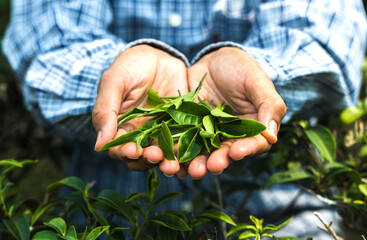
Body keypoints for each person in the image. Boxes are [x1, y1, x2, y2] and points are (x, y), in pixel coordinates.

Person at [2, 0, 367, 238]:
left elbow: (328, 41)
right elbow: (47, 49)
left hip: (281, 215)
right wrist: (111, 82)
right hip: (113, 217)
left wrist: (261, 76)